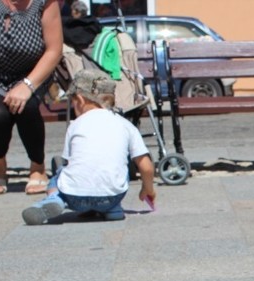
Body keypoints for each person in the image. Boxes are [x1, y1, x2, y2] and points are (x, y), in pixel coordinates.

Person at [21, 69, 155, 225]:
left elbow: (69, 163)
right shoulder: (126, 125)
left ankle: (54, 199)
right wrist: (148, 189)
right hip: (112, 197)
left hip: (74, 198)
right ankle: (113, 210)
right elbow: (146, 167)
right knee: (118, 171)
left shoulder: (75, 125)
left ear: (80, 99)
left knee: (60, 173)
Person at [0, 0, 63, 195]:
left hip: (33, 72)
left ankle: (38, 167)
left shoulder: (46, 3)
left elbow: (54, 50)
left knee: (28, 108)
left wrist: (27, 85)